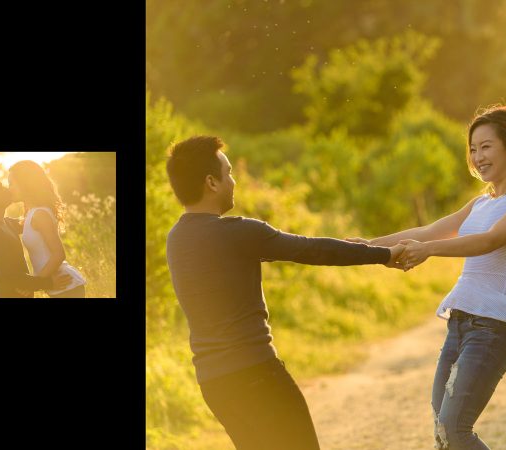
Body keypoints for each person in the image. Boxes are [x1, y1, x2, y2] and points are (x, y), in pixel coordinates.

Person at [349, 104, 506, 449]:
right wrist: (365, 247)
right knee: (443, 432)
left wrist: (429, 252)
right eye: (472, 149)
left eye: (486, 147)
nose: (477, 156)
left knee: (455, 430)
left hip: (494, 328)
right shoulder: (480, 203)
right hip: (461, 322)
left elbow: (489, 241)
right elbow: (431, 230)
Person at [163, 135, 406, 450]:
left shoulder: (175, 238)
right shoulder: (239, 233)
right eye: (229, 173)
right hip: (255, 373)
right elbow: (313, 250)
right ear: (211, 182)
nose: (233, 181)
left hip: (213, 382)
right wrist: (384, 254)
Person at [0, 172, 72, 298]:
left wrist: (32, 194)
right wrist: (48, 283)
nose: (7, 189)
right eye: (0, 187)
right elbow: (12, 277)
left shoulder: (4, 222)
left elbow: (32, 220)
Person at [7, 160, 86, 298]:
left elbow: (59, 254)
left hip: (66, 286)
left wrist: (35, 283)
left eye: (11, 184)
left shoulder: (40, 215)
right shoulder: (31, 213)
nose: (9, 189)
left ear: (25, 184)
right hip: (59, 288)